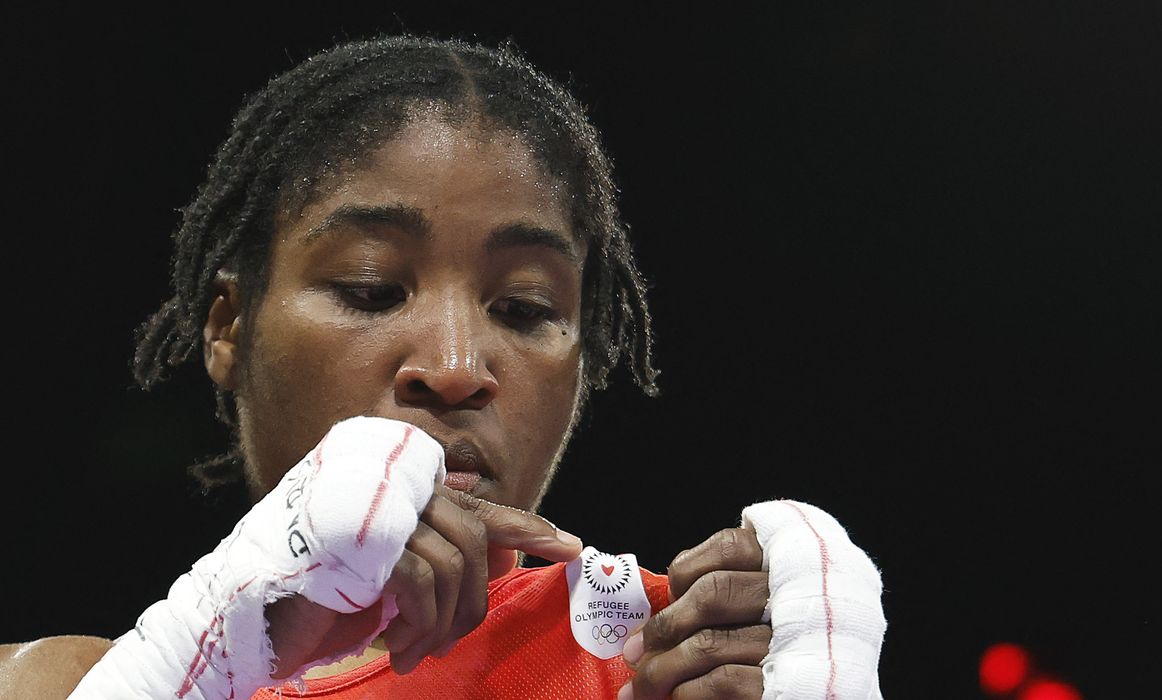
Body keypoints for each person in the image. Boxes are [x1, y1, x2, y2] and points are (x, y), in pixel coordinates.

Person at [0, 36, 886, 699]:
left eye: (527, 310)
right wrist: (195, 664)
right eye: (371, 288)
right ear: (227, 330)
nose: (457, 368)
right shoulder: (57, 685)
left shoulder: (672, 665)